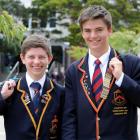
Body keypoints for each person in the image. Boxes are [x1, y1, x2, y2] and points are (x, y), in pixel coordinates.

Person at [62, 5, 140, 140]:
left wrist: (121, 78)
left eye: (99, 30)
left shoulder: (132, 63)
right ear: (82, 33)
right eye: (87, 31)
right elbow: (69, 117)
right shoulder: (74, 71)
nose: (93, 36)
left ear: (109, 30)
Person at [0, 34, 65, 140]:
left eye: (41, 57)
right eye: (31, 57)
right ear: (22, 58)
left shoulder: (60, 93)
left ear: (49, 59)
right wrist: (2, 96)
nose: (36, 62)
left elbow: (66, 128)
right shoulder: (10, 90)